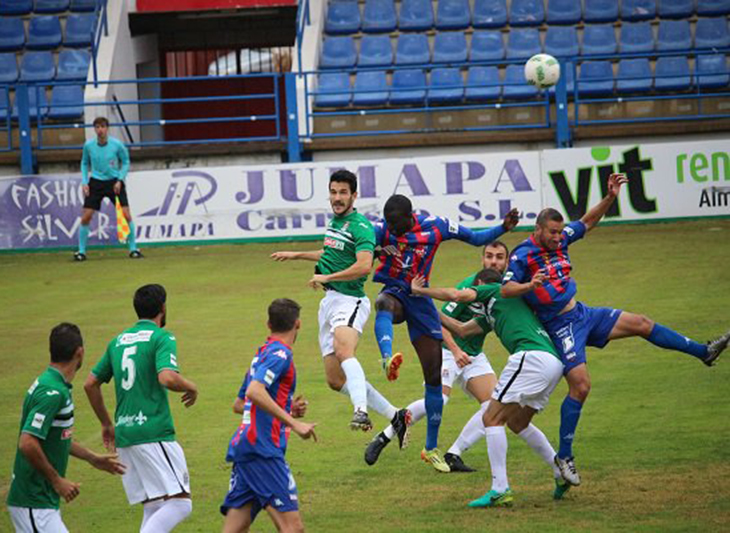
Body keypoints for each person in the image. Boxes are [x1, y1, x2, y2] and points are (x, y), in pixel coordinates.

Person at [501, 173, 730, 486]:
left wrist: (610, 197)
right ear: (538, 229)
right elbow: (506, 289)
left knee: (642, 323)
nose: (558, 238)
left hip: (582, 313)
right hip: (559, 326)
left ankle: (703, 352)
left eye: (559, 232)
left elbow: (587, 221)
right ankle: (564, 456)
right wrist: (529, 284)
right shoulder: (522, 255)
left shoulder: (563, 237)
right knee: (581, 386)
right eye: (552, 233)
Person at [372, 194, 519, 471]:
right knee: (382, 304)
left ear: (409, 216)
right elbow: (358, 247)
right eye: (387, 223)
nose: (391, 229)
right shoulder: (381, 229)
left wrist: (503, 228)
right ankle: (386, 358)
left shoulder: (436, 227)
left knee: (436, 384)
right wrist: (377, 251)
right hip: (399, 293)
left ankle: (431, 448)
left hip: (427, 307)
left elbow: (476, 238)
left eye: (396, 223)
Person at [271, 170, 410, 444]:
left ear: (354, 195)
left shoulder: (360, 226)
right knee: (335, 380)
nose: (337, 197)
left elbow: (363, 265)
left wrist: (327, 277)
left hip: (351, 301)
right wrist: (297, 254)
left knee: (345, 351)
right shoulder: (335, 222)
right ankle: (396, 416)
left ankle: (360, 411)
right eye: (333, 192)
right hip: (329, 303)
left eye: (343, 192)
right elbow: (332, 253)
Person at [411, 269, 570, 507]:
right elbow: (461, 329)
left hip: (531, 358)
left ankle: (499, 489)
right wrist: (426, 309)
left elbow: (455, 294)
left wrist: (419, 291)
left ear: (482, 286)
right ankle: (559, 471)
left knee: (491, 418)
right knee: (517, 423)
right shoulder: (494, 312)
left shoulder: (494, 290)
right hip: (552, 364)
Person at [84, 284, 198, 533]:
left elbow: (90, 383)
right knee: (181, 504)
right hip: (153, 432)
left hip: (125, 433)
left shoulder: (117, 342)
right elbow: (167, 377)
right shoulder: (161, 337)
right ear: (163, 308)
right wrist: (191, 386)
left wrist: (106, 423)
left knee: (154, 505)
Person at [6, 323, 125, 532]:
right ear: (80, 353)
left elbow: (57, 437)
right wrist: (56, 480)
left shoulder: (55, 385)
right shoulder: (52, 392)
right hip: (33, 501)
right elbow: (27, 442)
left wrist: (91, 457)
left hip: (41, 502)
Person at [220, 298, 317, 533]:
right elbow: (254, 392)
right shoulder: (280, 355)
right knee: (293, 528)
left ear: (268, 324)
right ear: (298, 324)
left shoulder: (262, 353)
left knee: (235, 528)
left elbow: (239, 404)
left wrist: (287, 407)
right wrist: (294, 423)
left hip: (247, 449)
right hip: (263, 449)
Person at [74, 116, 141, 261]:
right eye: (97, 127)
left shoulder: (117, 145)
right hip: (96, 183)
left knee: (126, 214)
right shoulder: (89, 145)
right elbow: (84, 163)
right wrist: (85, 182)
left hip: (114, 183)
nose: (100, 130)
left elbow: (126, 161)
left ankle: (133, 249)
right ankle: (81, 251)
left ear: (107, 128)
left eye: (103, 127)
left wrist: (120, 179)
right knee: (86, 217)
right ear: (94, 129)